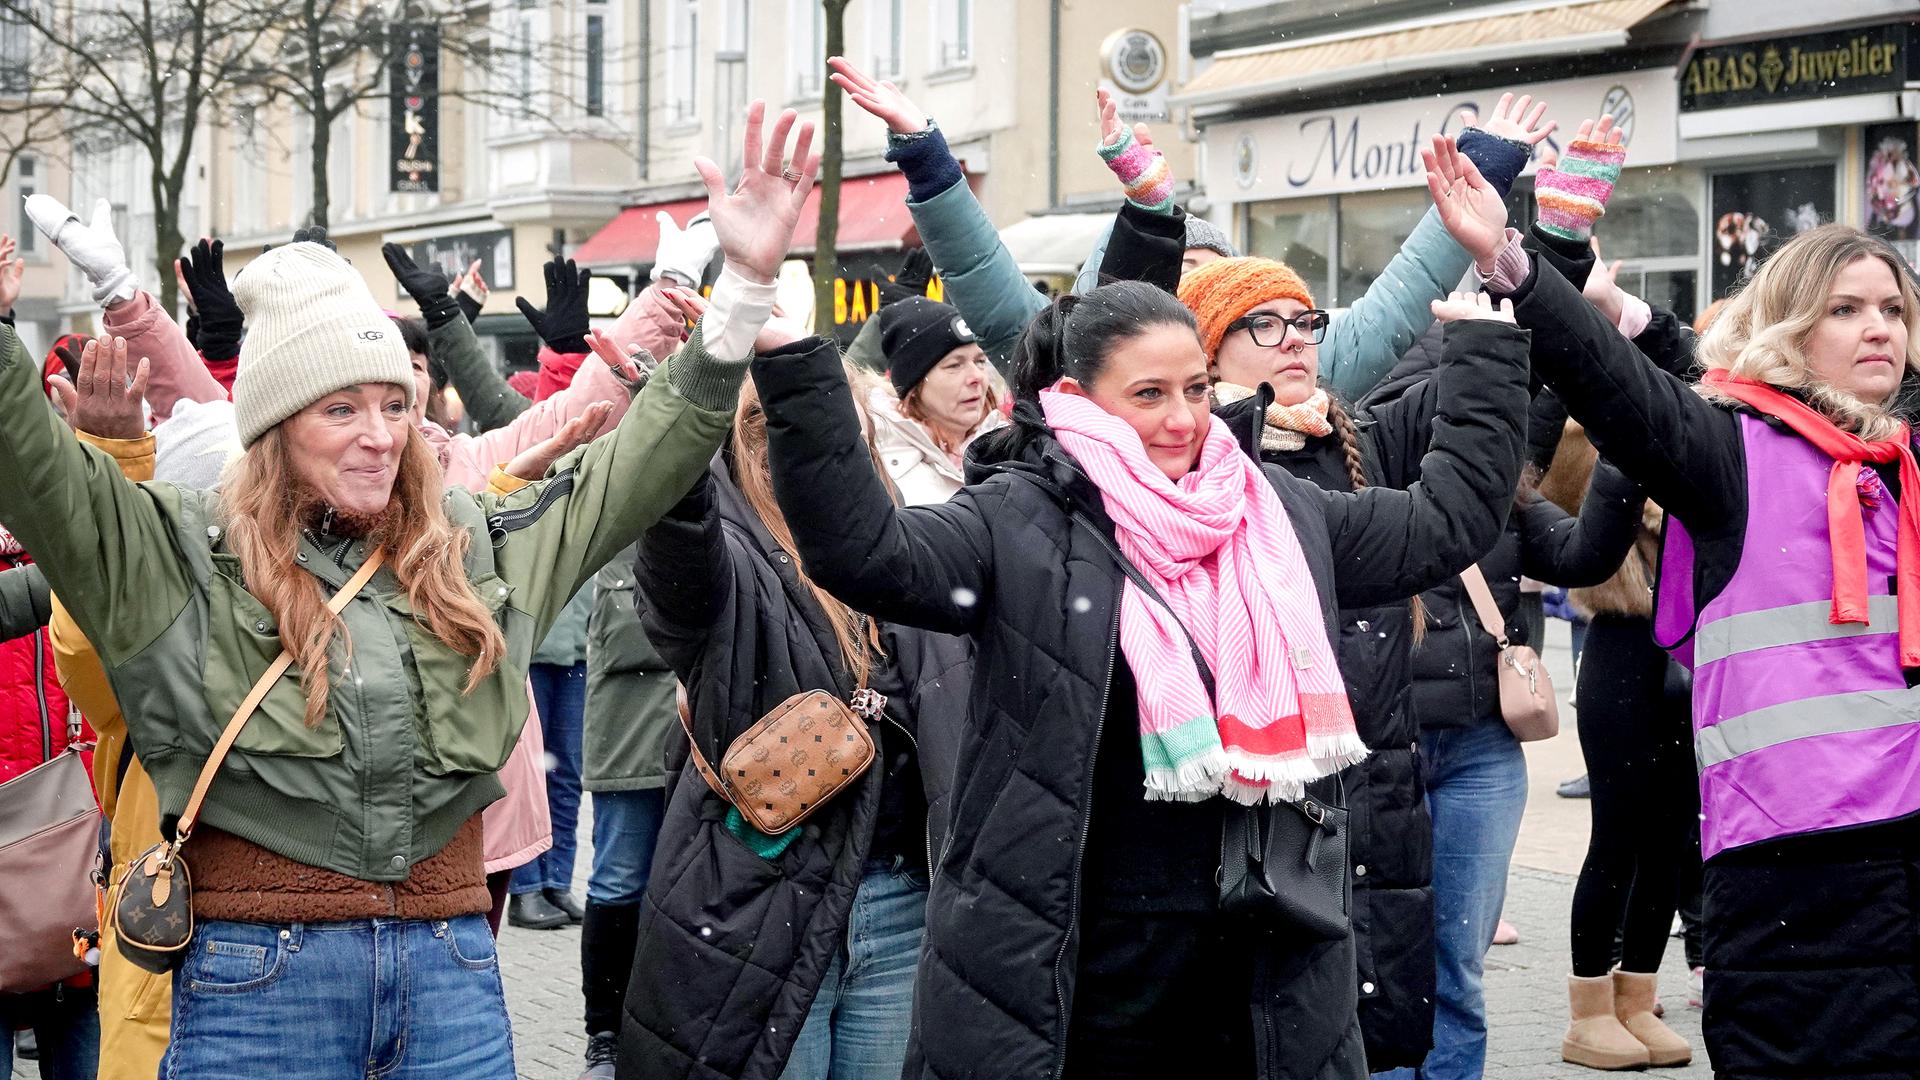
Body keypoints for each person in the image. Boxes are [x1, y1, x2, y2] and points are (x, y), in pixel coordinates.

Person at [0, 100, 813, 1078]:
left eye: (394, 402)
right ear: (274, 428)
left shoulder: (470, 541)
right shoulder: (179, 550)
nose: (379, 433)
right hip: (259, 991)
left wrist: (745, 291)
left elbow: (643, 452)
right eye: (339, 407)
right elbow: (37, 467)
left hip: (453, 974)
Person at [748, 273, 1530, 1078]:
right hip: (1073, 975)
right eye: (1149, 393)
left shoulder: (1274, 509)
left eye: (1194, 387)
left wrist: (1486, 349)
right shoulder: (1019, 518)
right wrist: (796, 365)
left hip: (1259, 977)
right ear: (1079, 400)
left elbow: (1443, 526)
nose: (1184, 418)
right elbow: (865, 553)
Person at [1431, 124, 1920, 1077]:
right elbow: (1611, 386)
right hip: (1794, 882)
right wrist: (1518, 264)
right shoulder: (1728, 452)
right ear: (1789, 328)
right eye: (1848, 309)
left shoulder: (1901, 460)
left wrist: (1654, 324)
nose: (1879, 329)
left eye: (1894, 311)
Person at [617, 308, 968, 1077]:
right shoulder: (729, 554)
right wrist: (675, 429)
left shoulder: (903, 552)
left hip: (900, 903)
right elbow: (678, 545)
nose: (798, 436)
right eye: (767, 419)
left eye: (826, 414)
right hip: (760, 901)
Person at [867, 295, 1008, 505]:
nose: (976, 377)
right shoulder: (876, 463)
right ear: (915, 386)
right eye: (954, 365)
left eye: (980, 361)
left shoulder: (1010, 447)